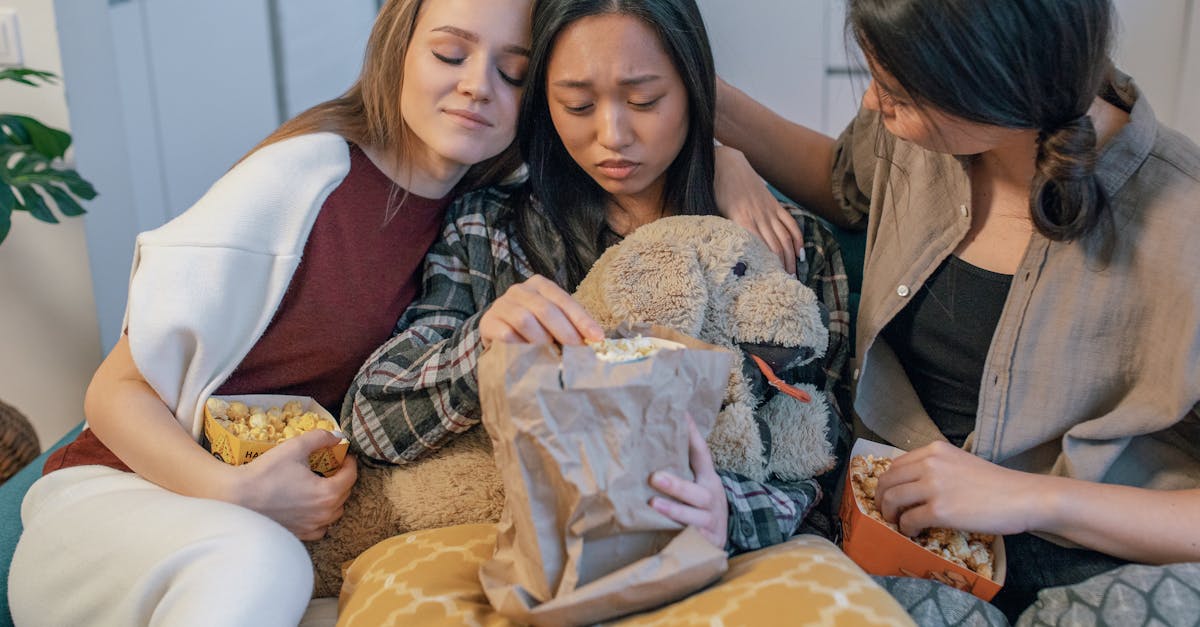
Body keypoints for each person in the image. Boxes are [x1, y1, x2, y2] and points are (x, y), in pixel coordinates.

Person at [8, 0, 535, 624]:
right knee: (265, 563)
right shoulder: (306, 175)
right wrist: (235, 492)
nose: (478, 85)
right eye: (450, 54)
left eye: (513, 72)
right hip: (116, 503)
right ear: (398, 49)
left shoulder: (486, 221)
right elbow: (112, 390)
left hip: (264, 538)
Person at [714, 0, 1200, 621]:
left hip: (1097, 567)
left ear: (999, 85)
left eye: (898, 93)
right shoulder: (911, 140)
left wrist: (1030, 497)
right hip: (899, 540)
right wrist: (718, 146)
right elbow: (841, 179)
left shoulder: (1180, 218)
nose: (871, 103)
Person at [342, 0, 851, 555]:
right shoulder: (490, 230)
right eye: (578, 105)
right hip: (540, 560)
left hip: (724, 566)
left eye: (644, 101)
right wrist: (481, 347)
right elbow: (370, 421)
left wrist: (730, 509)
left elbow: (823, 449)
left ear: (694, 87)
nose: (612, 135)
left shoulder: (782, 243)